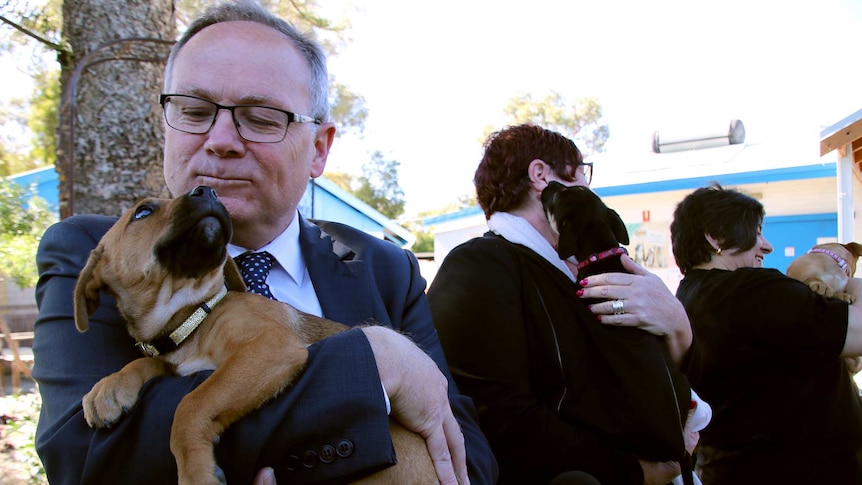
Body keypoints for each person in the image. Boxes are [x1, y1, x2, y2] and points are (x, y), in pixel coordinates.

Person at [31, 1, 497, 483]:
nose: (221, 140)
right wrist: (370, 364)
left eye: (261, 117)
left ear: (319, 148)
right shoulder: (102, 252)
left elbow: (467, 456)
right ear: (166, 127)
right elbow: (85, 454)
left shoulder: (385, 267)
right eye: (194, 111)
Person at [426, 123, 701, 485]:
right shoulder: (481, 265)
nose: (590, 187)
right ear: (541, 174)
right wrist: (634, 471)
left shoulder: (579, 267)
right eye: (583, 172)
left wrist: (676, 323)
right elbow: (499, 418)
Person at [670, 184, 862, 484]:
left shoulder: (686, 299)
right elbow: (859, 331)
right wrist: (848, 277)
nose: (767, 246)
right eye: (756, 232)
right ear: (716, 236)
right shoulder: (751, 291)